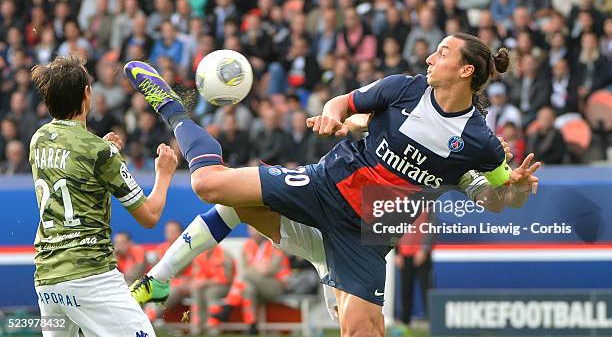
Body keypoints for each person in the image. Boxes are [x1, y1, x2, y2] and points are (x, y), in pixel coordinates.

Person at [125, 33, 541, 336]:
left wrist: (517, 187)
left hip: (367, 236)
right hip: (324, 186)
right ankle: (174, 113)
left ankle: (161, 279)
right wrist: (330, 116)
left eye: (443, 52)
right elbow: (344, 104)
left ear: (466, 70)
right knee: (210, 186)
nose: (431, 57)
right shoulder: (405, 88)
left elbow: (497, 199)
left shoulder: (480, 144)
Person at [29, 54, 178, 337]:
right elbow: (149, 216)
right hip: (89, 274)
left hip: (48, 278)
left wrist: (103, 149)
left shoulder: (38, 140)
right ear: (87, 95)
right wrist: (165, 173)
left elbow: (72, 161)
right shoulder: (100, 153)